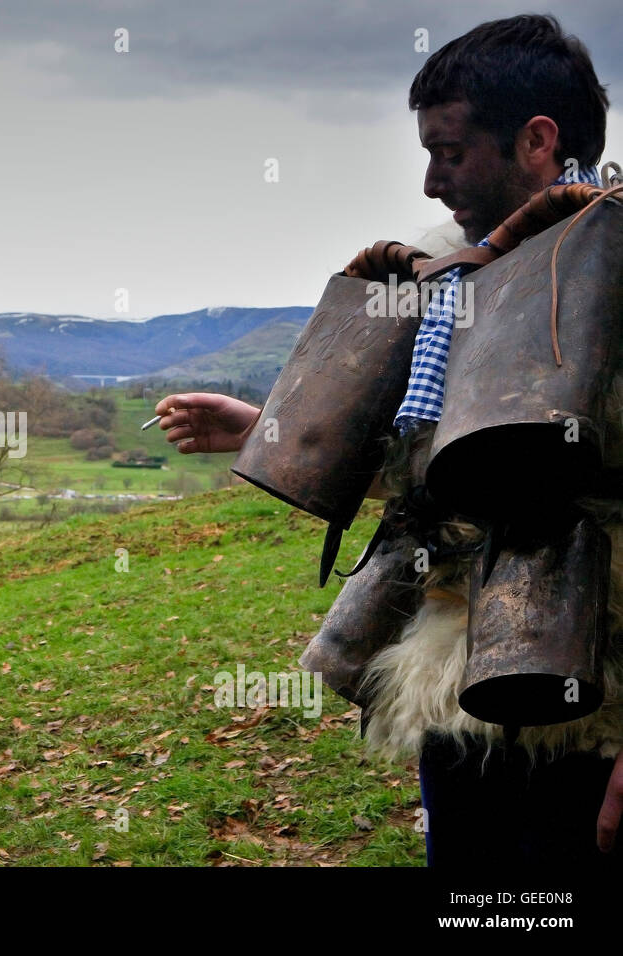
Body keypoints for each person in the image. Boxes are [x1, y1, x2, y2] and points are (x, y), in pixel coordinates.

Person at [154, 14, 622, 865]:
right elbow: (435, 472)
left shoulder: (617, 256)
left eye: (450, 151)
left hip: (600, 691)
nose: (433, 182)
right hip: (454, 677)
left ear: (537, 139)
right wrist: (261, 429)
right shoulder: (442, 275)